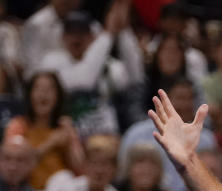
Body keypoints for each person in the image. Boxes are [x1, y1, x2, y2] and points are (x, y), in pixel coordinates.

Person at [36, 5, 144, 137]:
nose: (76, 39)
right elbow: (84, 81)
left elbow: (136, 78)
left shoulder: (109, 66)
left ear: (93, 37)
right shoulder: (52, 63)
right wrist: (108, 34)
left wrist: (123, 30)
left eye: (82, 33)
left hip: (107, 140)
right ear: (63, 37)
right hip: (67, 138)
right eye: (71, 33)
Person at [119, 78, 217, 191]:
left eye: (189, 99)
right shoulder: (137, 134)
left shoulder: (207, 140)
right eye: (179, 98)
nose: (184, 104)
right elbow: (123, 176)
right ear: (164, 101)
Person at [3, 72, 85, 191]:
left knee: (66, 180)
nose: (43, 95)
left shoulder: (63, 128)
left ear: (58, 96)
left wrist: (70, 138)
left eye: (49, 90)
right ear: (30, 95)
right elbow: (13, 167)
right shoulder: (18, 126)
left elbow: (81, 170)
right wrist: (50, 144)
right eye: (38, 89)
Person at [20, 0, 82, 75]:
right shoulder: (36, 24)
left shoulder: (81, 20)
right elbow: (32, 62)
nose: (65, 1)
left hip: (71, 71)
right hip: (44, 75)